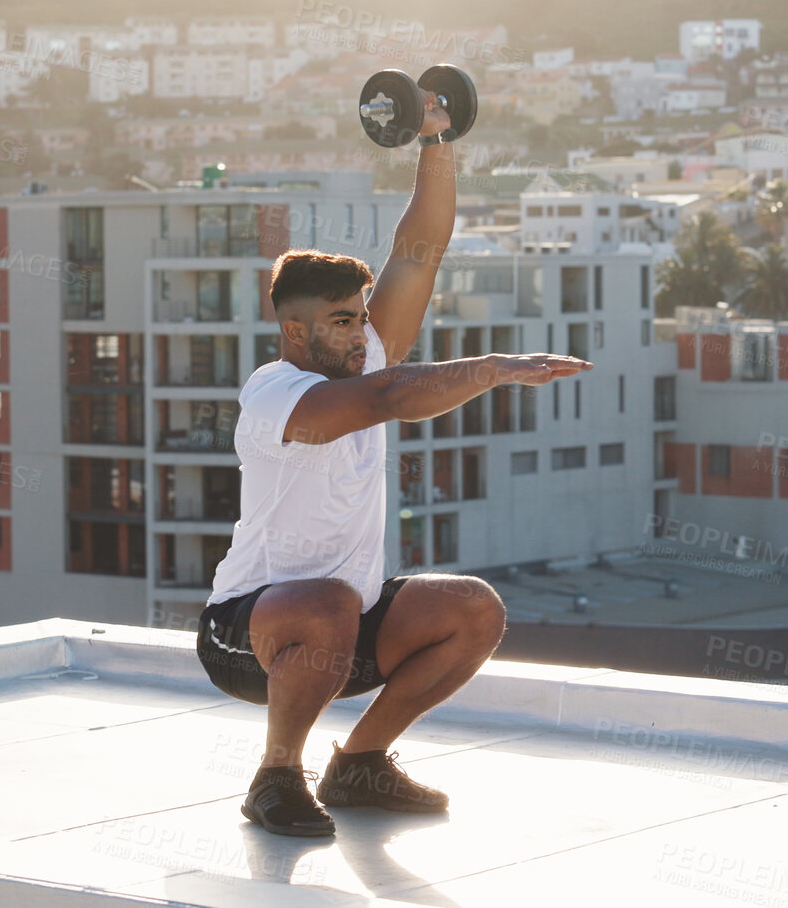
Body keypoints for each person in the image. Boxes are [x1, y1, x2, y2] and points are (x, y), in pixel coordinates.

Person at [195, 90, 591, 837]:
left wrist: (435, 139)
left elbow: (420, 247)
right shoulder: (279, 393)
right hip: (246, 634)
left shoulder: (363, 357)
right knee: (324, 600)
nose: (358, 334)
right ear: (293, 328)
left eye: (360, 316)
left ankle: (361, 762)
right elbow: (389, 398)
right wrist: (494, 366)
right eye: (342, 321)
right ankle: (275, 775)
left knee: (471, 607)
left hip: (345, 627)